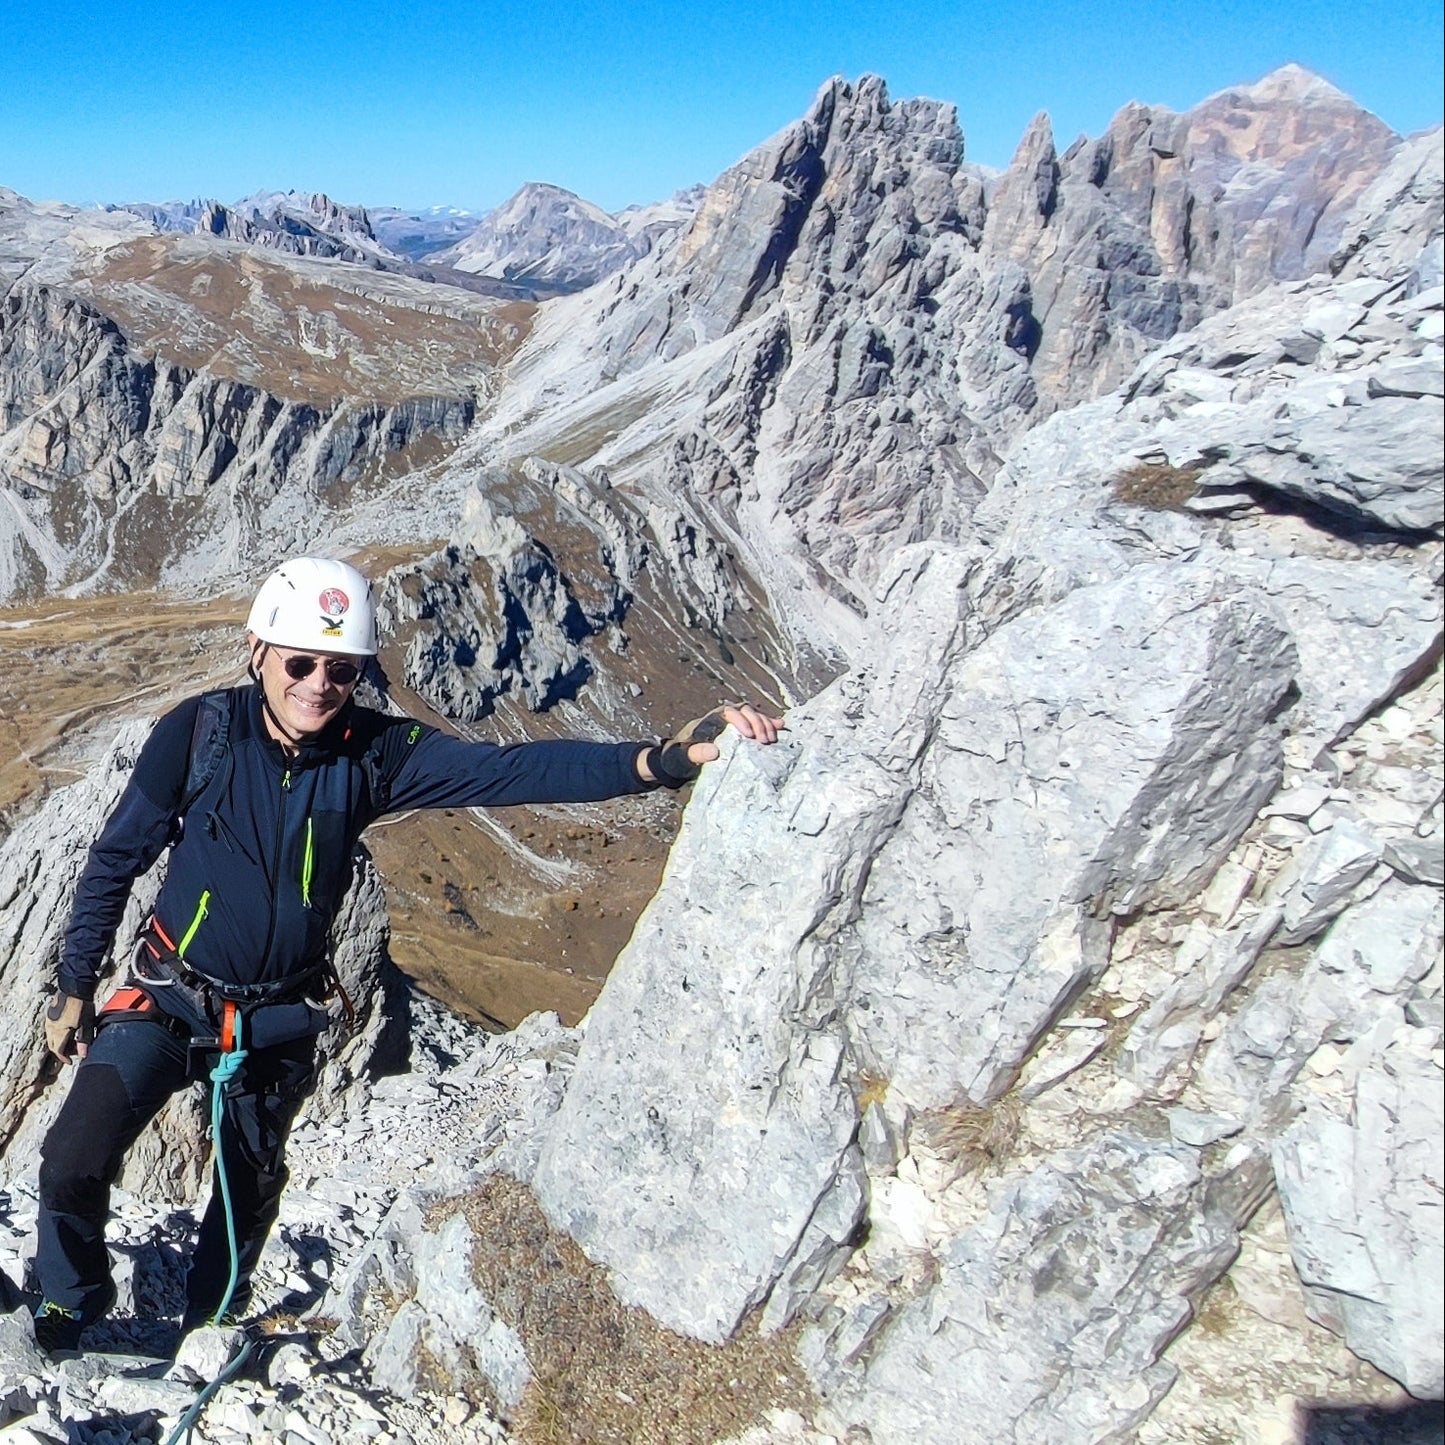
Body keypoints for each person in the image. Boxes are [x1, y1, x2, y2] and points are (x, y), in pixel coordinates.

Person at [33, 556, 782, 1354]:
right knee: (73, 1154)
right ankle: (69, 1304)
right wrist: (76, 985)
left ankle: (208, 1328)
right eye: (301, 661)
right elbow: (116, 858)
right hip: (170, 993)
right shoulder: (199, 732)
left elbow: (512, 770)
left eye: (342, 668)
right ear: (258, 652)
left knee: (246, 1187)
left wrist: (659, 759)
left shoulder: (375, 752)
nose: (320, 683)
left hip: (277, 1012)